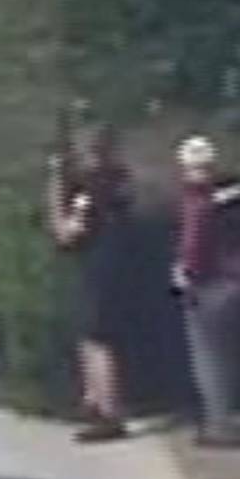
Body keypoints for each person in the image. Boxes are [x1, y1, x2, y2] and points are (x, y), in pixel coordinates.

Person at [47, 123, 142, 443]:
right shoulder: (119, 181)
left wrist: (55, 187)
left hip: (97, 267)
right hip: (116, 265)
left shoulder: (89, 192)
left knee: (97, 339)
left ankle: (107, 410)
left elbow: (66, 232)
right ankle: (96, 402)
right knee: (94, 336)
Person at [173, 135, 240, 448]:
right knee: (226, 354)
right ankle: (226, 419)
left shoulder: (199, 202)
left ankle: (219, 426)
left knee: (208, 359)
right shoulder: (236, 198)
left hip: (210, 284)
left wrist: (186, 276)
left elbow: (193, 245)